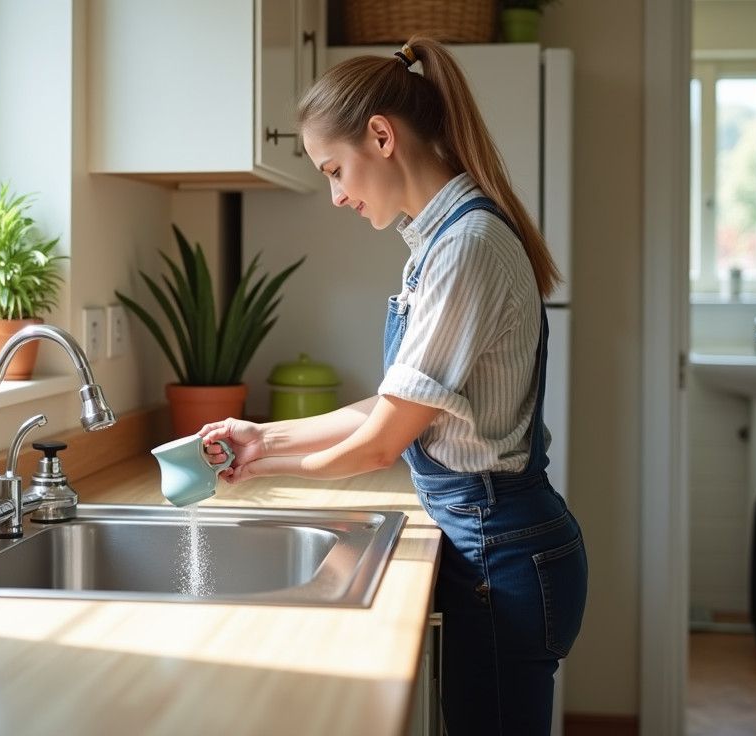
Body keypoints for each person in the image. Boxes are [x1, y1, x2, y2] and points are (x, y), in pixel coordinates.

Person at [200, 35, 587, 735]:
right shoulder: (438, 243)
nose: (336, 194)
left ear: (381, 136)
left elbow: (382, 444)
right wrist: (262, 437)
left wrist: (264, 469)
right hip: (493, 546)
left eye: (334, 169)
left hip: (502, 554)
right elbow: (391, 404)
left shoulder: (465, 247)